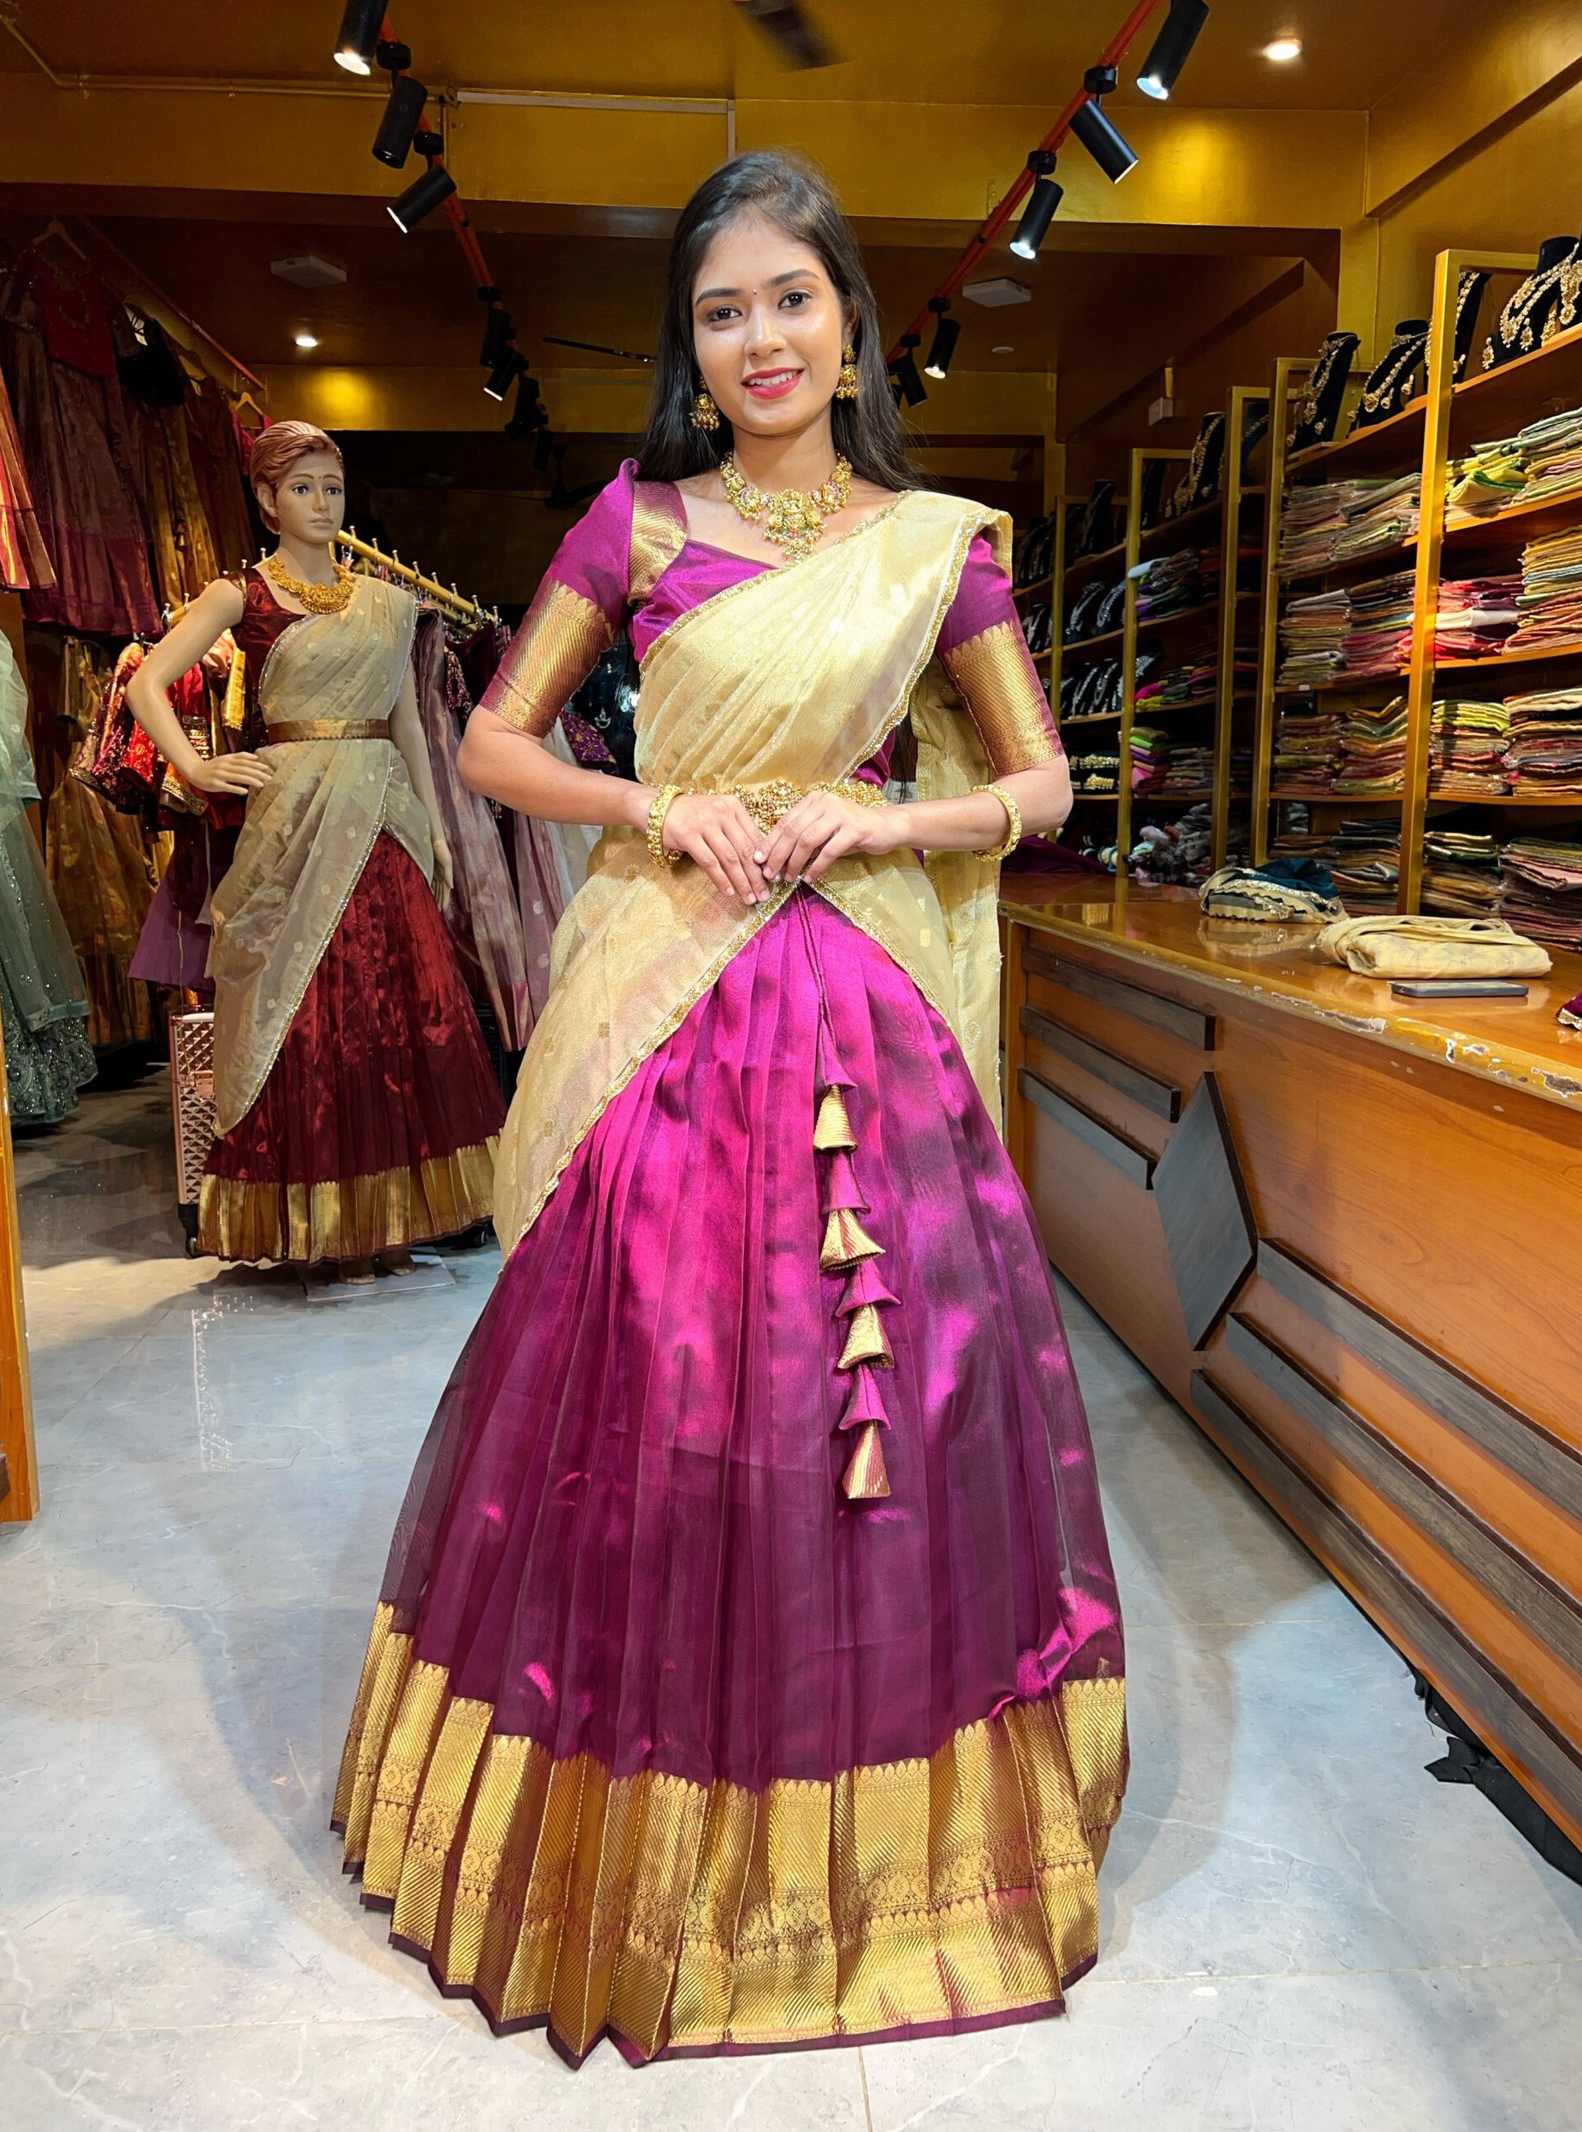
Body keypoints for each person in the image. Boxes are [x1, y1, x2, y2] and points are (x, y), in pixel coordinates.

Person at [333, 150, 1125, 2065]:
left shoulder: (937, 546)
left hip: (867, 1013)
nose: (760, 337)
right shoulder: (638, 521)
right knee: (666, 1385)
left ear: (850, 325)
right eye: (720, 309)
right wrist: (654, 804)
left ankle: (893, 1852)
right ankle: (638, 1831)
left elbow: (1045, 785)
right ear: (688, 346)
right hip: (669, 1003)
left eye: (790, 298)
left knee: (888, 1382)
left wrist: (895, 817)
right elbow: (497, 741)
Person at [126, 422, 504, 1277]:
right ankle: (318, 1222)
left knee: (397, 1010)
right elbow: (148, 681)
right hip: (292, 818)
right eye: (302, 488)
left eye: (332, 488)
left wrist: (434, 823)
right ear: (267, 500)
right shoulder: (241, 595)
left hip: (383, 814)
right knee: (304, 1011)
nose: (322, 504)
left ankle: (393, 1219)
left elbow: (406, 720)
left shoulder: (386, 603)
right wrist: (195, 767)